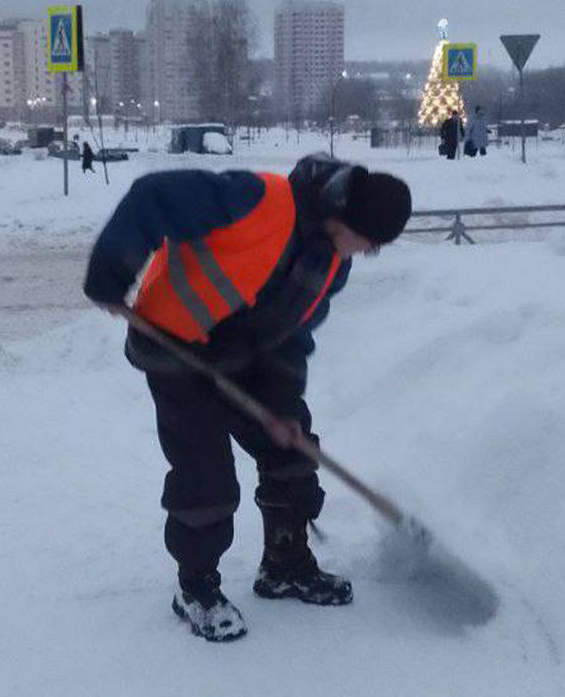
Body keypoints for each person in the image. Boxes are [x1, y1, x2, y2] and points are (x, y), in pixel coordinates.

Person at [83, 154, 412, 642]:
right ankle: (195, 587)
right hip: (176, 347)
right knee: (205, 478)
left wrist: (281, 406)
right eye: (366, 241)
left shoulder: (330, 263)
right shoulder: (257, 199)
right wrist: (111, 275)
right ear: (341, 216)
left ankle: (285, 565)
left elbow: (294, 334)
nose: (364, 253)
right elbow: (153, 197)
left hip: (244, 357)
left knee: (294, 450)